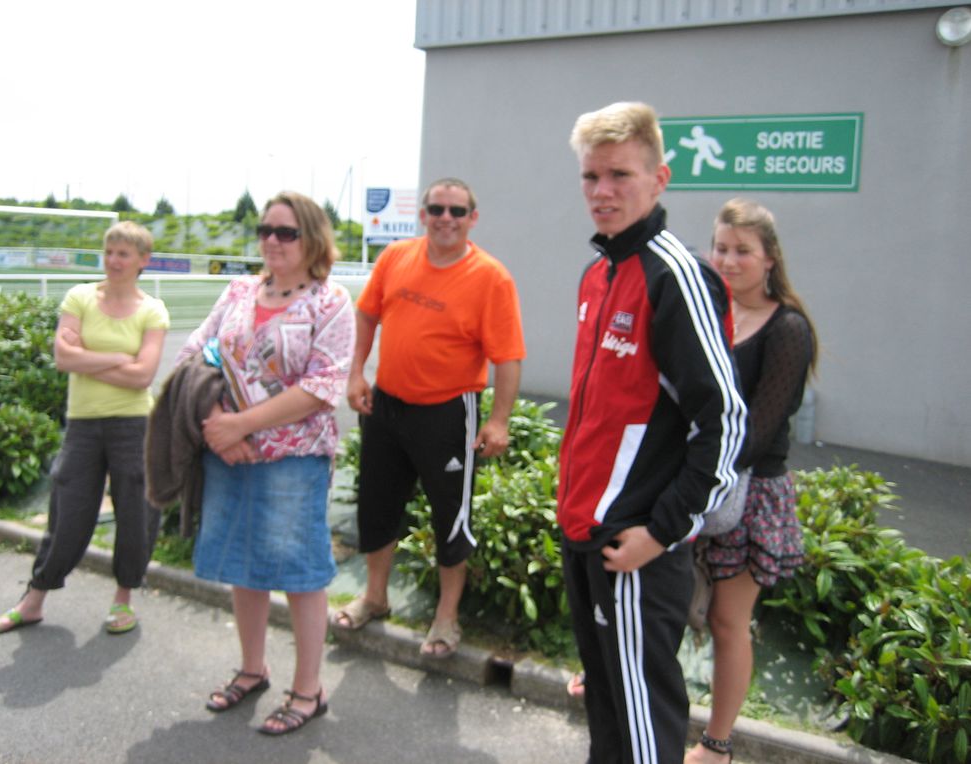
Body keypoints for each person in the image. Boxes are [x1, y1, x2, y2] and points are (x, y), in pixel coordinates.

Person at [558, 101, 747, 764]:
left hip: (636, 543)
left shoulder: (677, 275)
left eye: (620, 175)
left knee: (644, 730)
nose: (602, 192)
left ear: (660, 179)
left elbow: (725, 423)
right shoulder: (600, 272)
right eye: (590, 176)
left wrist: (662, 530)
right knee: (607, 711)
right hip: (588, 537)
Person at [174, 191, 354, 736]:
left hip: (291, 461)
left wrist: (241, 425)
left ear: (312, 239)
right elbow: (192, 354)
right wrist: (217, 426)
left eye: (286, 232)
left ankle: (308, 690)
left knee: (299, 572)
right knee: (242, 567)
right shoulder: (237, 291)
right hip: (227, 454)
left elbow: (323, 386)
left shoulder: (330, 302)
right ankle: (252, 669)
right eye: (265, 230)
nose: (272, 241)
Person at [333, 177, 525, 658]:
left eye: (457, 211)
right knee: (376, 505)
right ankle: (374, 598)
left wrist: (498, 421)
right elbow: (367, 315)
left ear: (472, 219)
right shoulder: (396, 257)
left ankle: (446, 617)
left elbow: (508, 357)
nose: (446, 218)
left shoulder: (490, 277)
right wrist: (357, 373)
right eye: (437, 208)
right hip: (387, 405)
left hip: (448, 412)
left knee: (449, 518)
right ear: (423, 214)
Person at [0, 221, 169, 637]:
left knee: (136, 513)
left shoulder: (152, 310)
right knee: (67, 511)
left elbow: (143, 377)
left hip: (134, 424)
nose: (114, 260)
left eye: (124, 254)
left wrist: (91, 356)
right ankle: (34, 600)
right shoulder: (79, 296)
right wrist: (120, 356)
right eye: (109, 252)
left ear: (142, 261)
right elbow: (64, 359)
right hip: (83, 424)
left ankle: (123, 599)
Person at [684, 199, 815, 764]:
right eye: (720, 247)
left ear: (769, 259)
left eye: (742, 250)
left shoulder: (787, 327)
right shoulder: (706, 314)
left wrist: (695, 475)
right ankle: (654, 713)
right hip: (692, 483)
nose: (728, 260)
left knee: (726, 621)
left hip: (747, 490)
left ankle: (717, 745)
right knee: (672, 606)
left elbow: (759, 429)